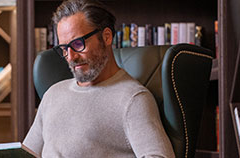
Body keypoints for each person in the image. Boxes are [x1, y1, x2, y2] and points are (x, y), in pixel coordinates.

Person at [23, 0, 174, 157]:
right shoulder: (53, 94)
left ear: (106, 37)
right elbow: (26, 154)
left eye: (78, 44)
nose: (71, 57)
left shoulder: (133, 99)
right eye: (64, 48)